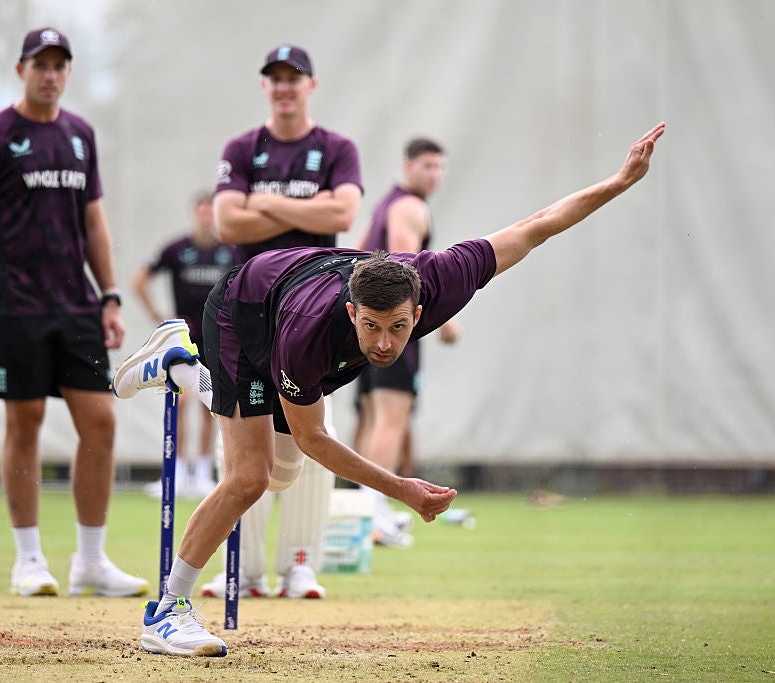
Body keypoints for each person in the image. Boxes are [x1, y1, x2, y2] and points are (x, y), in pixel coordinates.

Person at [113, 122, 666, 656]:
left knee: (281, 476)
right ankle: (167, 611)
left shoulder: (443, 275)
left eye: (398, 327)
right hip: (244, 313)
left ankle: (183, 369)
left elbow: (536, 226)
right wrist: (401, 489)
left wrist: (617, 183)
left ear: (420, 311)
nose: (382, 344)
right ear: (352, 312)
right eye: (370, 326)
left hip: (287, 291)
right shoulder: (310, 337)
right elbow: (316, 439)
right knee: (250, 476)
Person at [0, 27, 147, 599]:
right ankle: (29, 559)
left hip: (77, 306)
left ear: (67, 71)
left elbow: (93, 222)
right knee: (25, 421)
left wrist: (109, 294)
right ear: (21, 70)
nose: (51, 73)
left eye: (61, 64)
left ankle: (90, 561)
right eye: (41, 63)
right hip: (14, 307)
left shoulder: (80, 136)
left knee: (102, 423)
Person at [204, 44, 364, 601]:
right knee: (245, 440)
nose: (284, 86)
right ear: (265, 86)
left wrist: (264, 202)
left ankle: (300, 566)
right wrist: (303, 207)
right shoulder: (243, 147)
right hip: (246, 309)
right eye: (274, 78)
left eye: (294, 78)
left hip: (315, 308)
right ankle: (243, 572)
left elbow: (342, 214)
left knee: (313, 432)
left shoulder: (336, 148)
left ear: (310, 86)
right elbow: (226, 222)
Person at [353, 137, 460, 547]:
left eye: (440, 167)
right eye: (426, 166)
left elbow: (360, 254)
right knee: (390, 420)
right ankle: (374, 513)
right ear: (407, 166)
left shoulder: (385, 203)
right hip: (392, 329)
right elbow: (405, 268)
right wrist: (444, 319)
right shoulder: (410, 207)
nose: (434, 174)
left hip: (364, 328)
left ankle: (364, 512)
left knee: (371, 417)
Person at [132, 192, 237, 499]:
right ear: (195, 213)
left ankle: (203, 472)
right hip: (184, 338)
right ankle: (175, 471)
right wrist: (159, 317)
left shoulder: (229, 252)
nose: (206, 216)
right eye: (201, 211)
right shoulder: (178, 249)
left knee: (211, 403)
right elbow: (139, 280)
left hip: (216, 337)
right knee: (179, 401)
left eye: (211, 211)